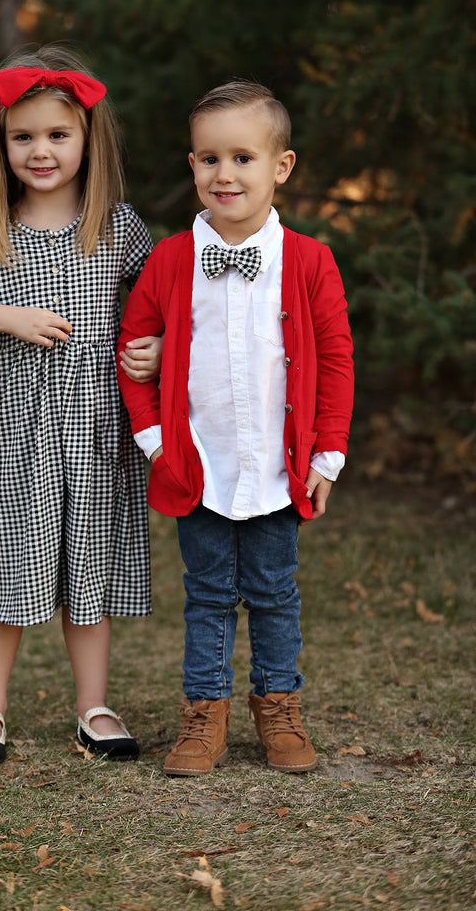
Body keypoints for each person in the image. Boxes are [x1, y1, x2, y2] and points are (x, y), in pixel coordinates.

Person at [0, 44, 161, 765]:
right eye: (23, 137)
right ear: (2, 144)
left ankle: (94, 707)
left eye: (58, 134)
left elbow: (162, 302)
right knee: (7, 561)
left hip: (97, 429)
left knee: (89, 559)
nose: (41, 150)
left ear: (89, 139)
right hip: (16, 427)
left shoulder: (117, 227)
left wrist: (152, 347)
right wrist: (2, 315)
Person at [117, 80, 354, 776]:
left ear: (280, 167)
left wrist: (329, 451)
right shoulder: (169, 260)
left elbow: (337, 358)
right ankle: (203, 716)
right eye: (209, 159)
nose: (226, 174)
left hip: (279, 468)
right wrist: (157, 442)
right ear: (191, 165)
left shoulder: (310, 261)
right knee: (209, 595)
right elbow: (133, 354)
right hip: (201, 465)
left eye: (243, 158)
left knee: (277, 593)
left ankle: (278, 709)